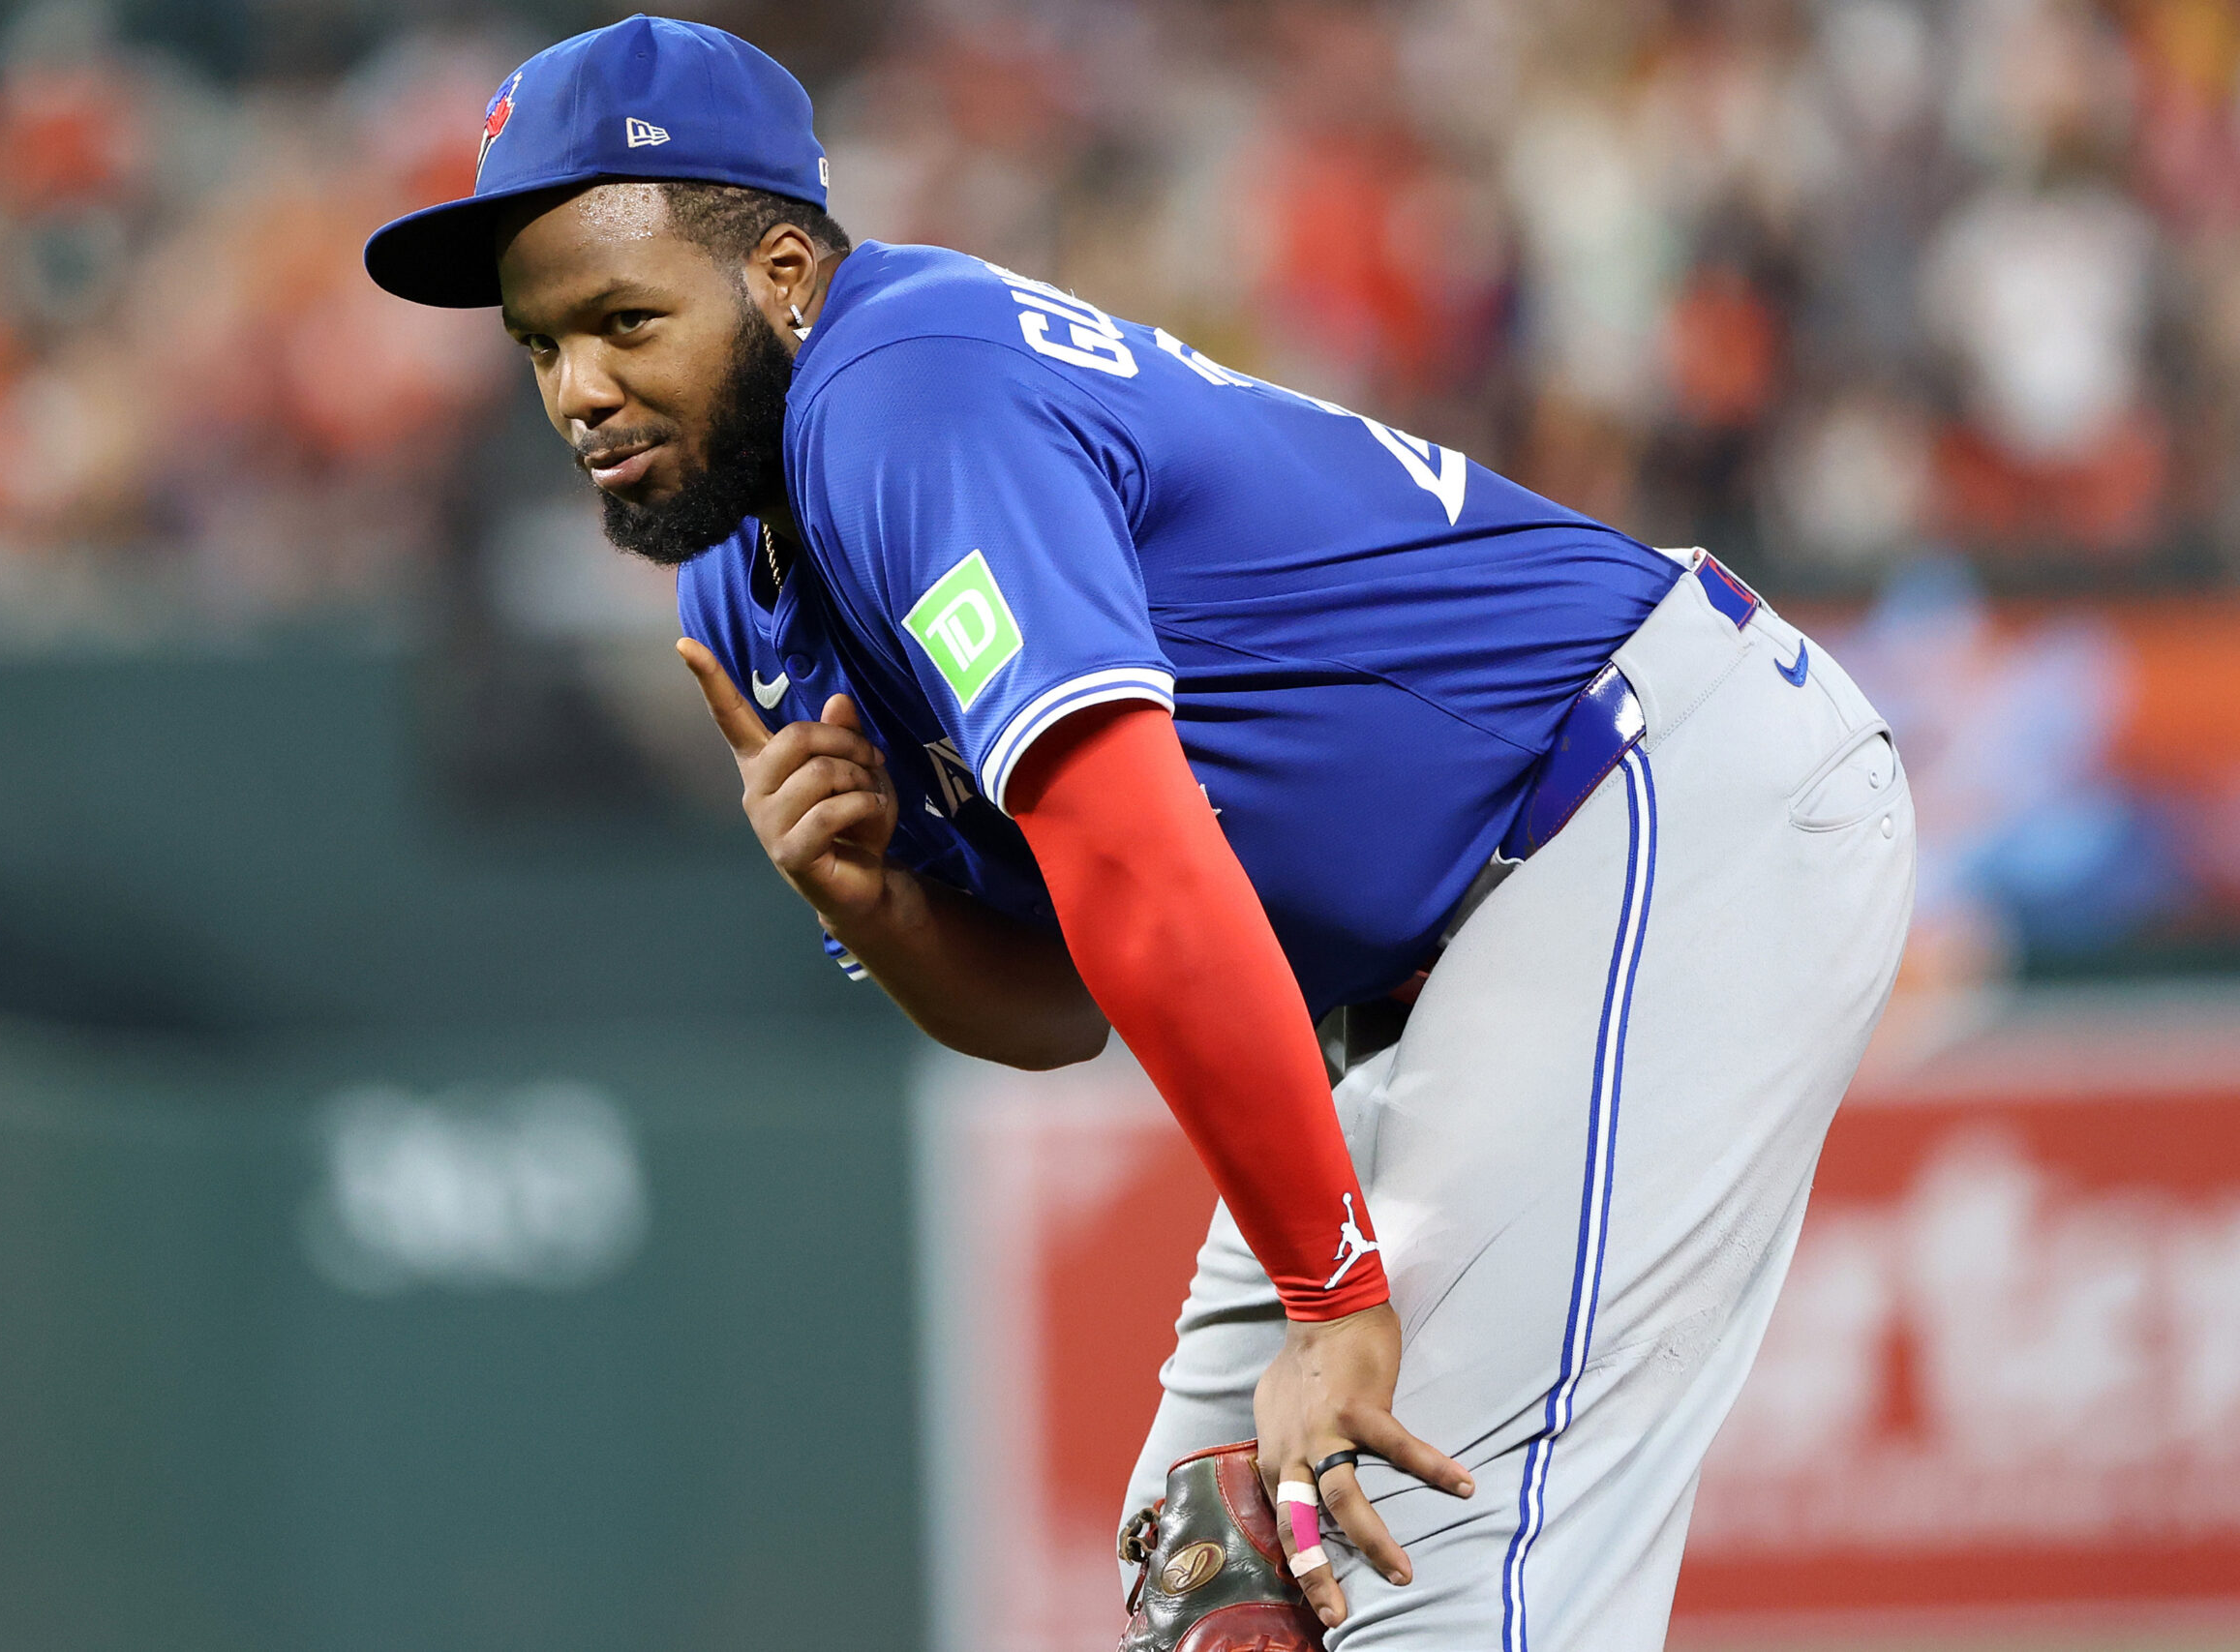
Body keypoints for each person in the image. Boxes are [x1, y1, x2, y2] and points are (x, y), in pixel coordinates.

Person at [365, 18, 1916, 1647]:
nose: (580, 390)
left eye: (624, 320)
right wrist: (882, 906)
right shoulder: (738, 583)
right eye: (540, 347)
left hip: (1647, 801)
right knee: (1218, 1580)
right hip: (1458, 935)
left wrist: (1333, 1294)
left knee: (1432, 1574)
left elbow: (1136, 857)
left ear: (784, 273)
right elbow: (1056, 1007)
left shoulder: (903, 390)